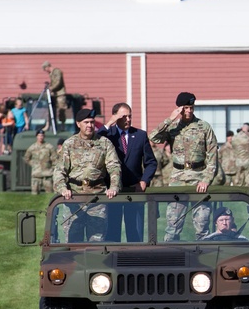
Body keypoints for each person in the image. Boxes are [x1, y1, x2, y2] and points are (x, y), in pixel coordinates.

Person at [148, 92, 219, 241]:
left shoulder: (204, 127)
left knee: (202, 225)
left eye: (191, 107)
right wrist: (170, 119)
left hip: (199, 177)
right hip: (177, 179)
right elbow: (153, 137)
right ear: (179, 109)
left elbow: (212, 156)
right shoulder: (173, 126)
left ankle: (204, 260)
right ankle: (170, 258)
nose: (189, 111)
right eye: (185, 108)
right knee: (173, 225)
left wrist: (206, 179)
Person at [53, 108, 122, 242]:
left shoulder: (104, 143)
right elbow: (59, 170)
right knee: (72, 241)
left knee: (96, 241)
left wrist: (114, 186)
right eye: (86, 122)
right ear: (78, 124)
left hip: (97, 199)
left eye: (92, 122)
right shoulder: (69, 144)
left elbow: (114, 167)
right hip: (74, 198)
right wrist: (62, 188)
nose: (90, 125)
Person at [101, 102, 157, 241]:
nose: (128, 119)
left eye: (130, 116)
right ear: (115, 117)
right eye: (124, 116)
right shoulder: (107, 135)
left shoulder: (140, 135)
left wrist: (144, 181)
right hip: (113, 192)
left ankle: (136, 260)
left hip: (134, 191)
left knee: (135, 232)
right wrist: (109, 123)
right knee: (112, 232)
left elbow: (151, 162)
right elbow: (94, 140)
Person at [24, 129, 56, 195]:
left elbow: (55, 159)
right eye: (39, 135)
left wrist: (52, 168)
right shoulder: (32, 147)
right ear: (36, 136)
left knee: (49, 195)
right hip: (36, 174)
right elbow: (26, 158)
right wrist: (33, 165)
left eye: (42, 136)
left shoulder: (49, 147)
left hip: (47, 175)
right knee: (34, 194)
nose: (40, 137)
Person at [42, 61, 67, 129]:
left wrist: (51, 88)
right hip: (54, 94)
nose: (46, 71)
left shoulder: (57, 71)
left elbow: (58, 82)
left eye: (45, 69)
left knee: (61, 109)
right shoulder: (51, 74)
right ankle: (49, 124)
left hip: (60, 94)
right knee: (50, 109)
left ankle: (62, 125)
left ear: (47, 67)